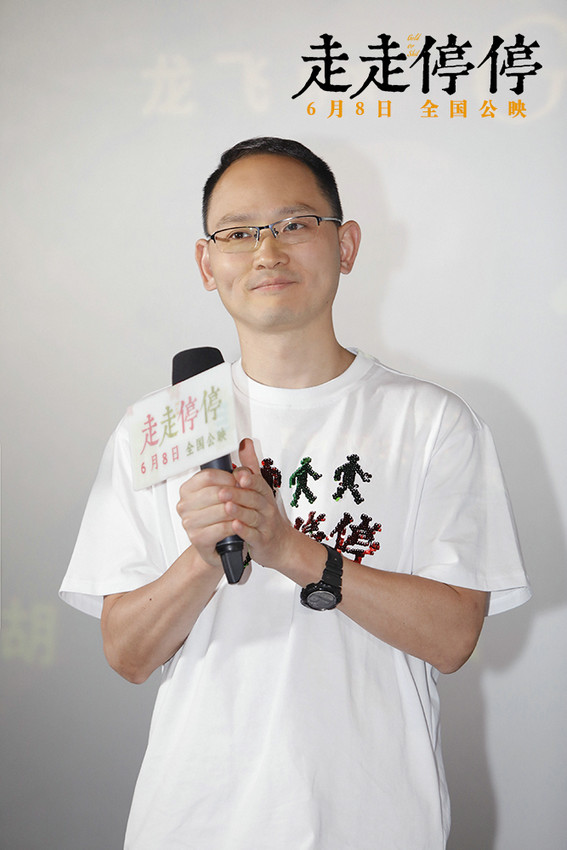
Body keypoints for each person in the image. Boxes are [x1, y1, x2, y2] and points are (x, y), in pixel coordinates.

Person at [59, 137, 531, 849]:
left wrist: (292, 551)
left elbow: (453, 637)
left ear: (346, 245)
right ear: (206, 263)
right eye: (238, 233)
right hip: (194, 822)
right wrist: (202, 557)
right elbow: (127, 654)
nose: (267, 252)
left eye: (294, 224)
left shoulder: (430, 421)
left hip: (376, 824)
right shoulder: (157, 428)